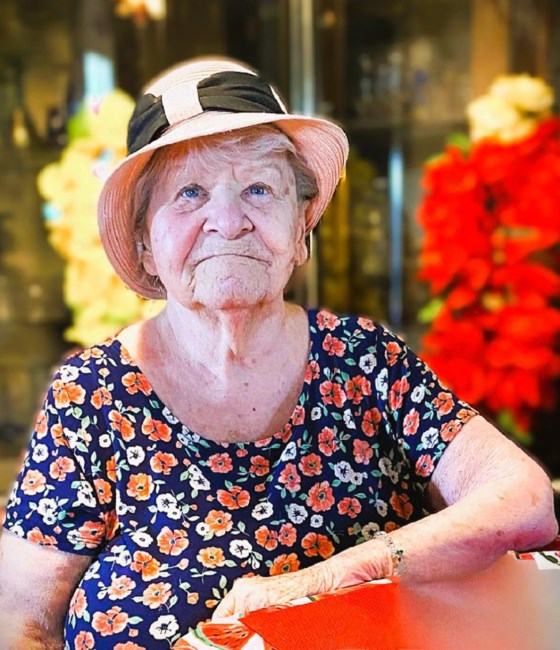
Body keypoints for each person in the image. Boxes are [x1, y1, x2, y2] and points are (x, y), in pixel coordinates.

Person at [0, 57, 557, 650]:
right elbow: (21, 624)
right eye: (190, 192)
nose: (228, 222)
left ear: (300, 228)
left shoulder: (365, 362)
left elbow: (525, 501)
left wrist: (339, 575)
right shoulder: (91, 397)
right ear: (144, 241)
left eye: (258, 190)